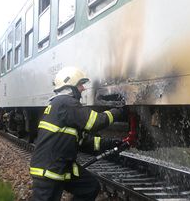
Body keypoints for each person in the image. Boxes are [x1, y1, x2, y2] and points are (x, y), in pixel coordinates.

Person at [30, 67, 125, 201]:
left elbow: (82, 142)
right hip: (49, 170)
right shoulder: (65, 102)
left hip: (60, 165)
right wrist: (119, 112)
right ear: (71, 85)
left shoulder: (60, 104)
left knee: (90, 187)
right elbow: (95, 122)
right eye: (80, 84)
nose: (83, 88)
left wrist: (110, 144)